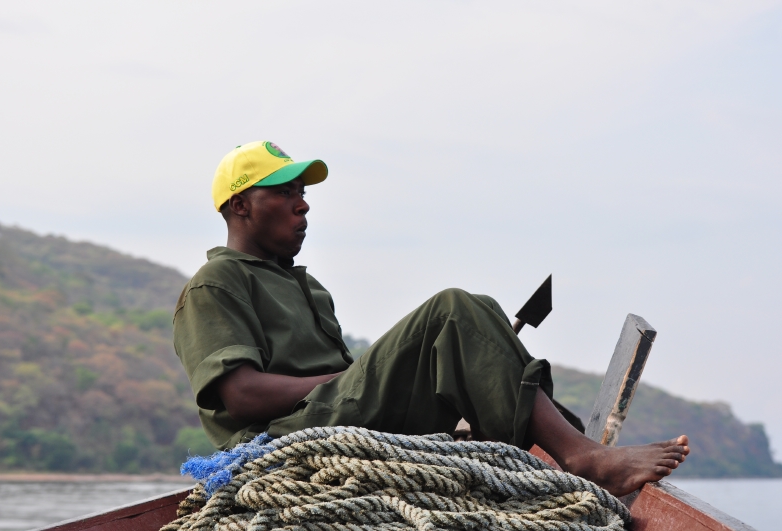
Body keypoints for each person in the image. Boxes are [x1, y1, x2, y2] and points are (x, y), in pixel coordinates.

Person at [173, 141, 690, 497]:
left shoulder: (306, 287)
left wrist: (367, 377)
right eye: (285, 192)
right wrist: (346, 377)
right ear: (240, 205)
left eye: (303, 193)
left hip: (333, 416)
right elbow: (241, 396)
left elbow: (349, 388)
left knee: (478, 315)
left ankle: (561, 449)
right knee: (453, 309)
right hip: (282, 436)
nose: (302, 206)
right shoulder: (216, 283)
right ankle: (580, 457)